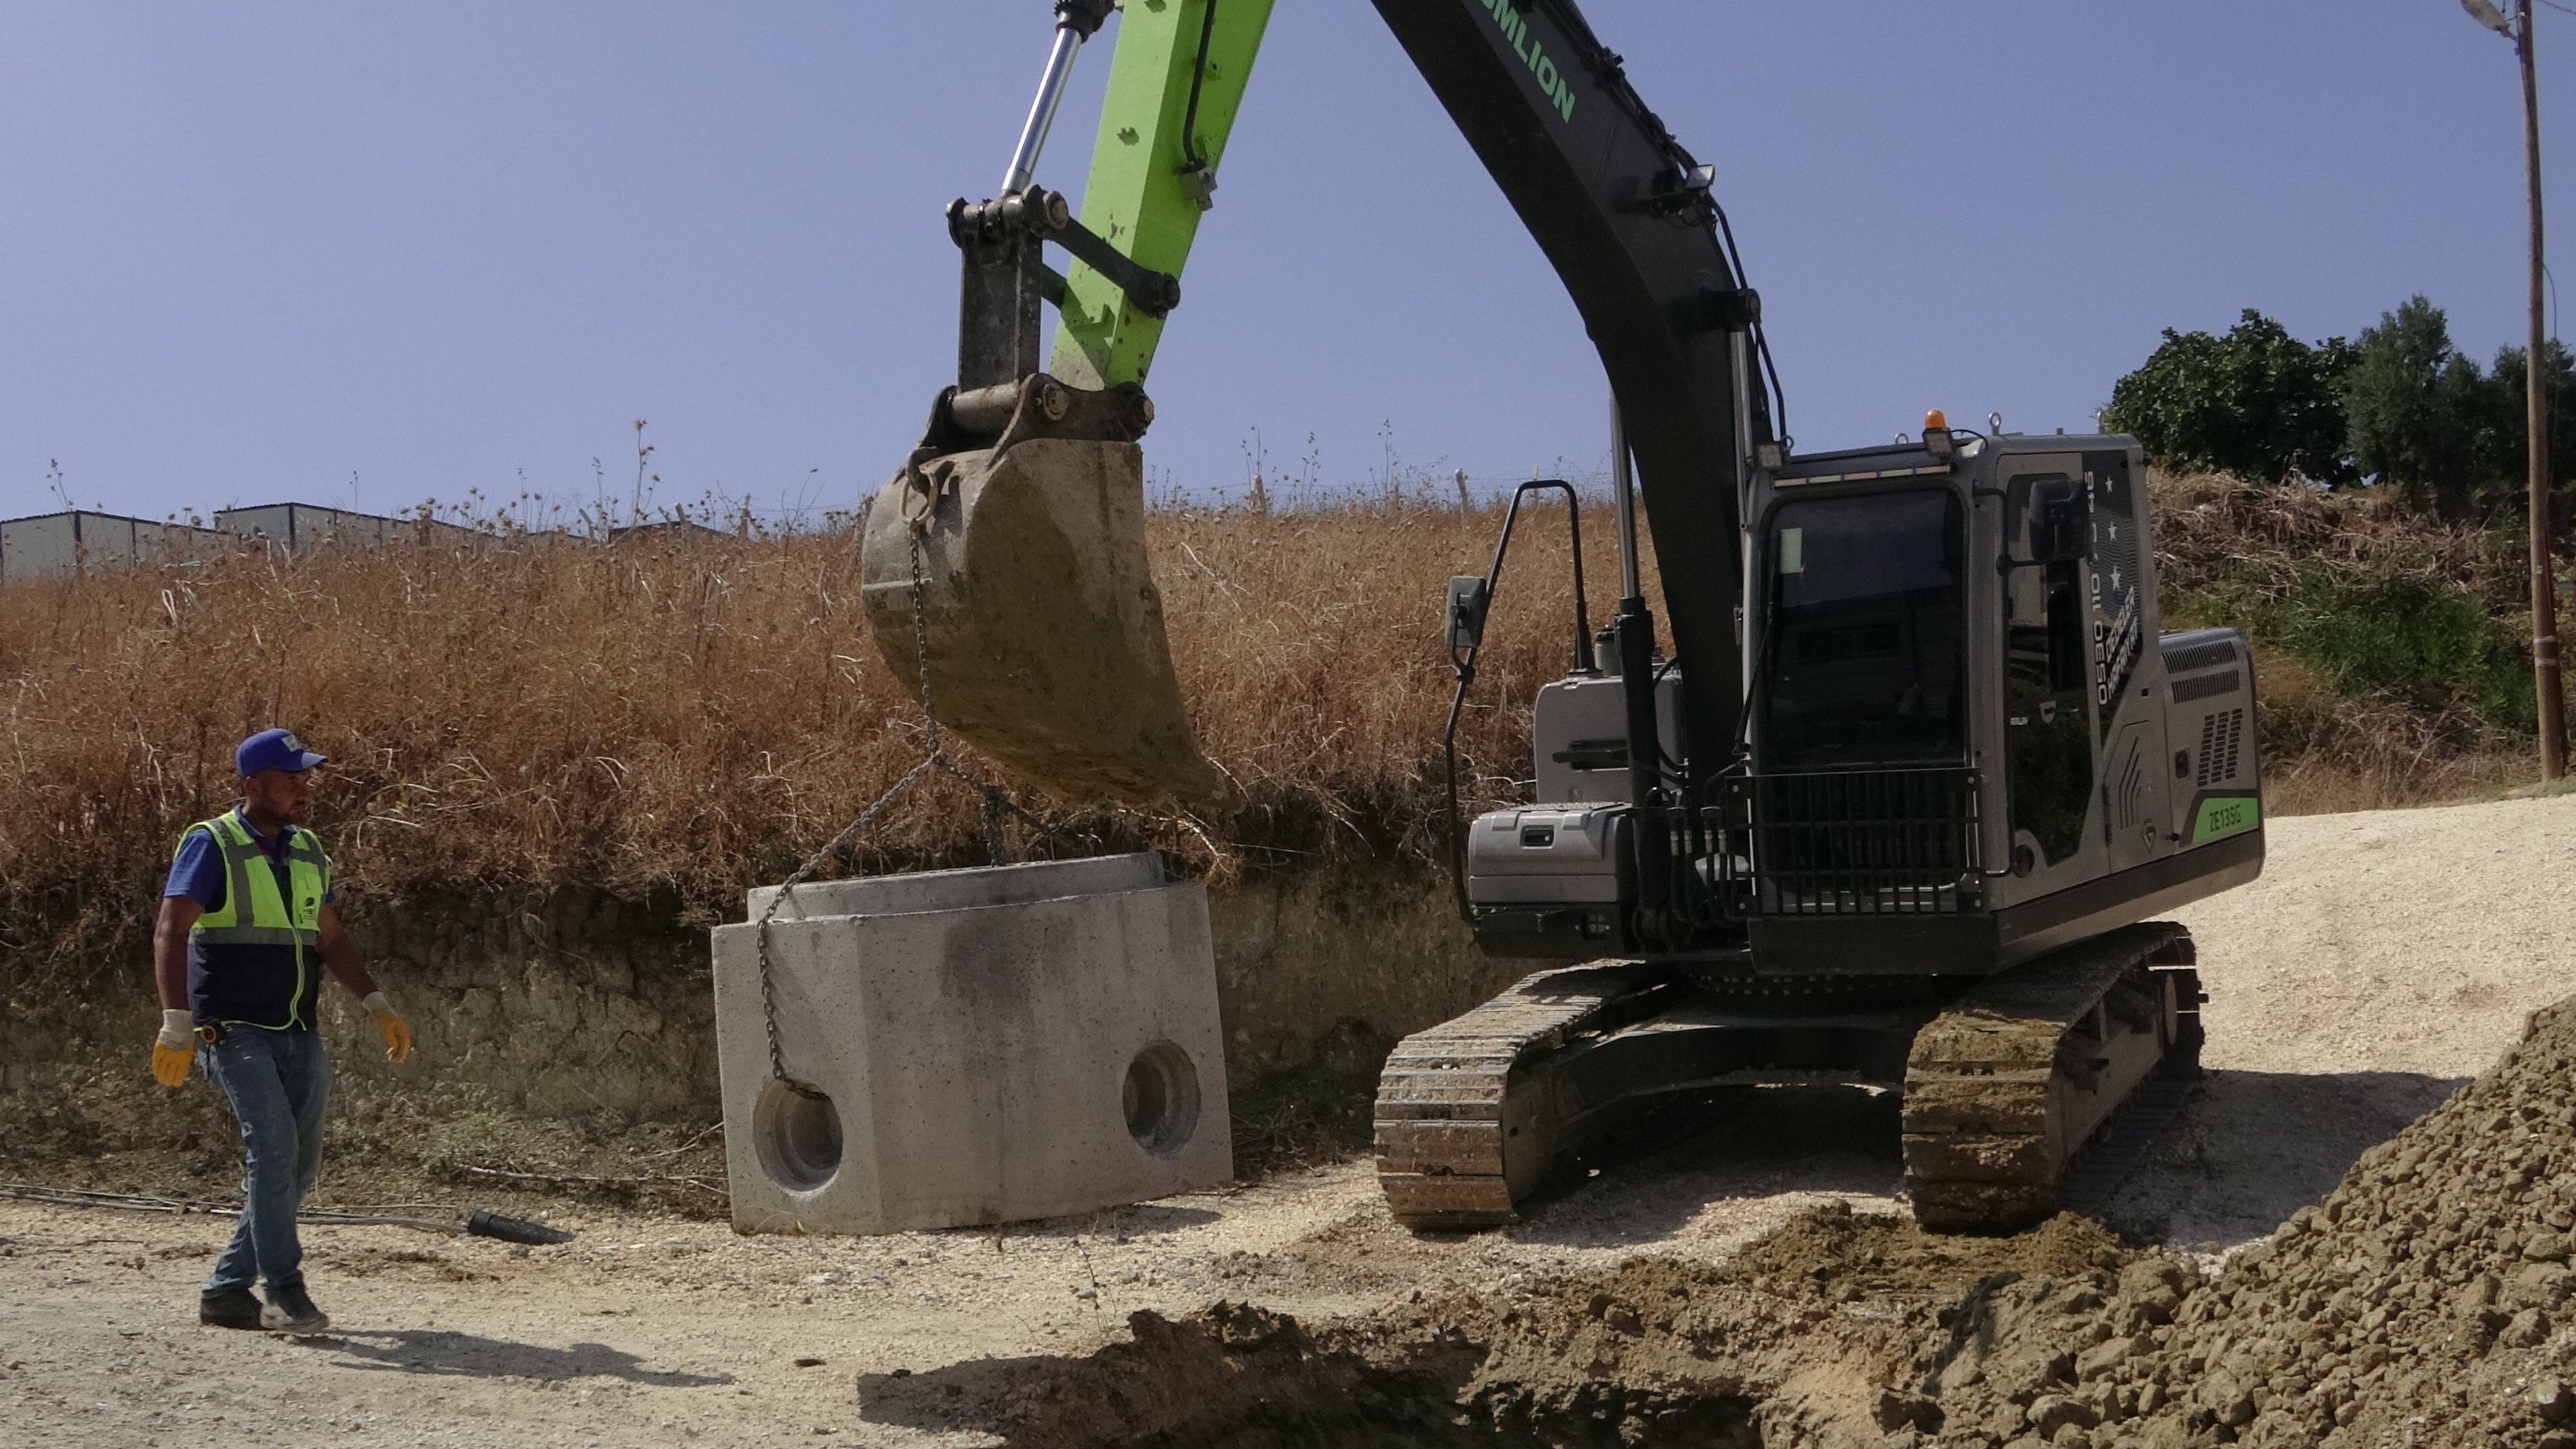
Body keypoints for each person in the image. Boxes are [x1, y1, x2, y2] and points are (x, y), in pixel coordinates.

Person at [150, 728, 413, 1334]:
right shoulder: (211, 843)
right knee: (273, 1152)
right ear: (253, 785)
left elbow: (332, 939)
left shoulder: (308, 850)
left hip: (298, 1028)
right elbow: (171, 929)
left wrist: (376, 1003)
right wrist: (176, 1023)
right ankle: (286, 1290)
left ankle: (223, 1293)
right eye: (290, 777)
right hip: (232, 1030)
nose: (303, 786)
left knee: (298, 1165)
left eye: (306, 776)